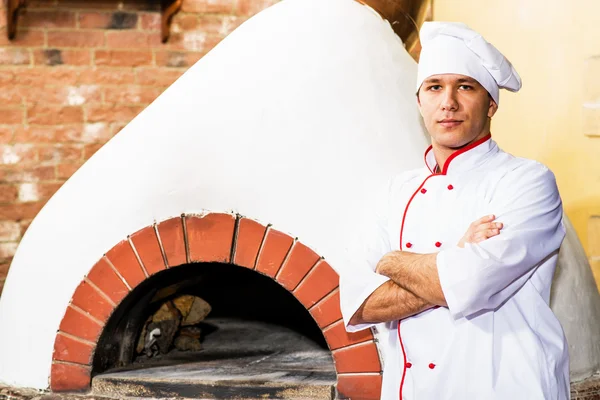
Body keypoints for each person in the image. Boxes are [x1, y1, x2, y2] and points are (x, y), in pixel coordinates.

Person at [339, 22, 569, 400]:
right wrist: (454, 258)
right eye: (434, 87)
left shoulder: (527, 182)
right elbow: (361, 305)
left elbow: (468, 285)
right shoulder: (394, 191)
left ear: (491, 103)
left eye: (465, 86)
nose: (448, 102)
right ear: (420, 102)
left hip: (506, 388)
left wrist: (391, 260)